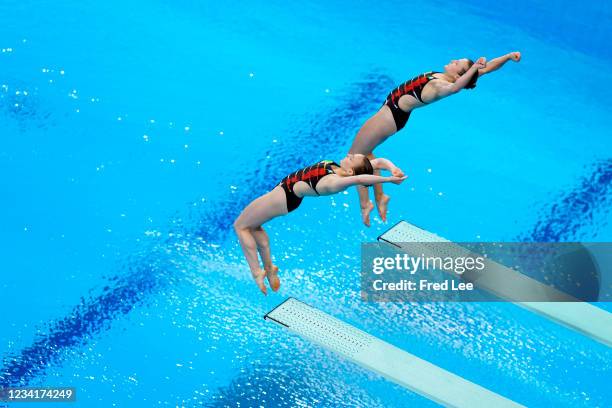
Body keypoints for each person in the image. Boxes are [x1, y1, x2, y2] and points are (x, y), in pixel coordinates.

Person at [350, 52, 522, 226]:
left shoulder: (441, 86)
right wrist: (507, 57)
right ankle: (380, 196)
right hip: (391, 115)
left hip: (388, 118)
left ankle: (366, 204)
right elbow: (488, 67)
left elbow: (455, 88)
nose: (454, 60)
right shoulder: (446, 77)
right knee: (367, 154)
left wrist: (474, 68)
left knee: (355, 157)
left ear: (458, 75)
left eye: (458, 63)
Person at [234, 153, 406, 294]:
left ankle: (257, 273)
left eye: (352, 157)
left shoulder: (335, 183)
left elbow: (360, 178)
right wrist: (393, 169)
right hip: (283, 195)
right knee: (254, 226)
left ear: (350, 170)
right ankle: (270, 270)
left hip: (282, 198)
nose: (350, 154)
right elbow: (380, 162)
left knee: (241, 226)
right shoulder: (341, 169)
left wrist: (388, 180)